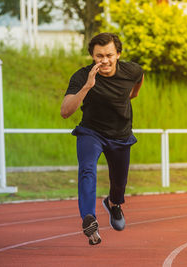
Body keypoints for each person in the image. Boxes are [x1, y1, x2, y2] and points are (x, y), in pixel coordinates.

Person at [60, 32, 144, 245]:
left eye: (108, 55)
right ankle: (89, 218)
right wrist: (88, 86)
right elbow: (65, 111)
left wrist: (131, 96)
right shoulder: (81, 76)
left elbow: (137, 81)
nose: (104, 60)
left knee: (119, 183)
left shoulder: (131, 70)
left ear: (118, 54)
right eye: (99, 56)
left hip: (121, 135)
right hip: (92, 132)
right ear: (92, 56)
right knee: (87, 169)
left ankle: (114, 204)